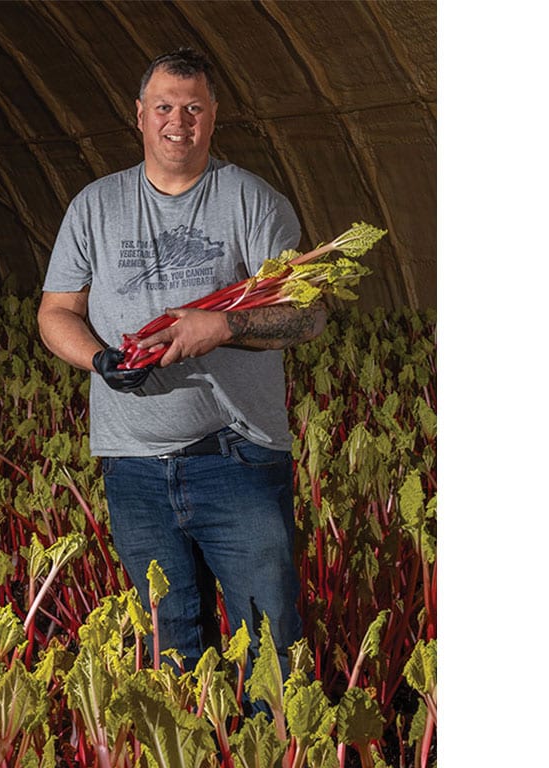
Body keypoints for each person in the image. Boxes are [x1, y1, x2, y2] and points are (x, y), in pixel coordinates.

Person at [37, 48, 324, 676]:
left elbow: (308, 314)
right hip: (133, 468)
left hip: (236, 457)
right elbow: (55, 312)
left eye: (193, 108)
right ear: (139, 115)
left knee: (271, 649)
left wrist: (223, 325)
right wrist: (100, 359)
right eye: (164, 107)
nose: (178, 121)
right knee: (171, 655)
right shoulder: (95, 205)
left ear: (214, 116)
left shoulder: (252, 201)